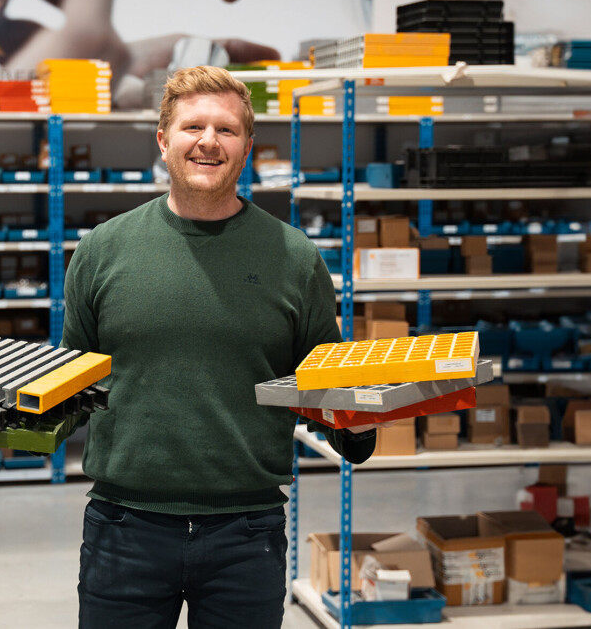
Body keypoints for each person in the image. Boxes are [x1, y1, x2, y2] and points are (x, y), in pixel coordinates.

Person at [62, 65, 378, 629]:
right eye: (192, 127)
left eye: (227, 130)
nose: (209, 142)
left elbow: (328, 387)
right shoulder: (101, 251)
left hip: (246, 533)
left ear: (248, 147)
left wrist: (359, 425)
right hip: (124, 527)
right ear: (164, 140)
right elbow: (69, 383)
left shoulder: (294, 257)